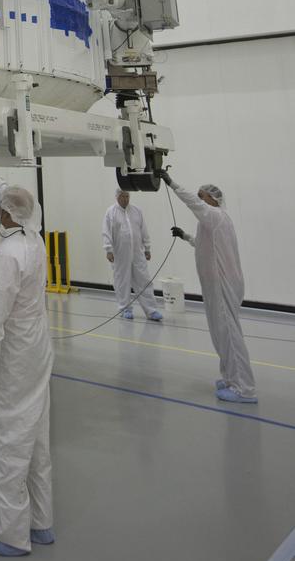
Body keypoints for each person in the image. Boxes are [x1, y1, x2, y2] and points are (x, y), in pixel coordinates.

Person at [0, 145, 54, 557]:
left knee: (6, 437)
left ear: (4, 215)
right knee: (35, 436)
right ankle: (40, 523)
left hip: (13, 355)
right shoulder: (33, 239)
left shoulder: (5, 256)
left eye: (1, 208)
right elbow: (10, 197)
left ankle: (7, 533)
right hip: (38, 350)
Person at [161, 171, 257, 403]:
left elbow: (191, 202)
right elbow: (203, 247)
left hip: (223, 285)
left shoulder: (216, 215)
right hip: (216, 286)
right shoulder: (211, 222)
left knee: (229, 335)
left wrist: (170, 181)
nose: (200, 199)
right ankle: (231, 378)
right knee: (220, 334)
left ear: (214, 199)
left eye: (203, 196)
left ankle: (245, 389)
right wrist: (184, 235)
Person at [102, 188, 163, 321]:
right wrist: (108, 250)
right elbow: (106, 232)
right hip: (120, 254)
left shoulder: (136, 211)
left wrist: (147, 248)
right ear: (117, 197)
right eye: (123, 196)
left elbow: (143, 230)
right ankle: (125, 308)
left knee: (144, 280)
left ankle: (151, 310)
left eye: (127, 196)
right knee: (122, 281)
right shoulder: (111, 213)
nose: (126, 199)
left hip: (137, 253)